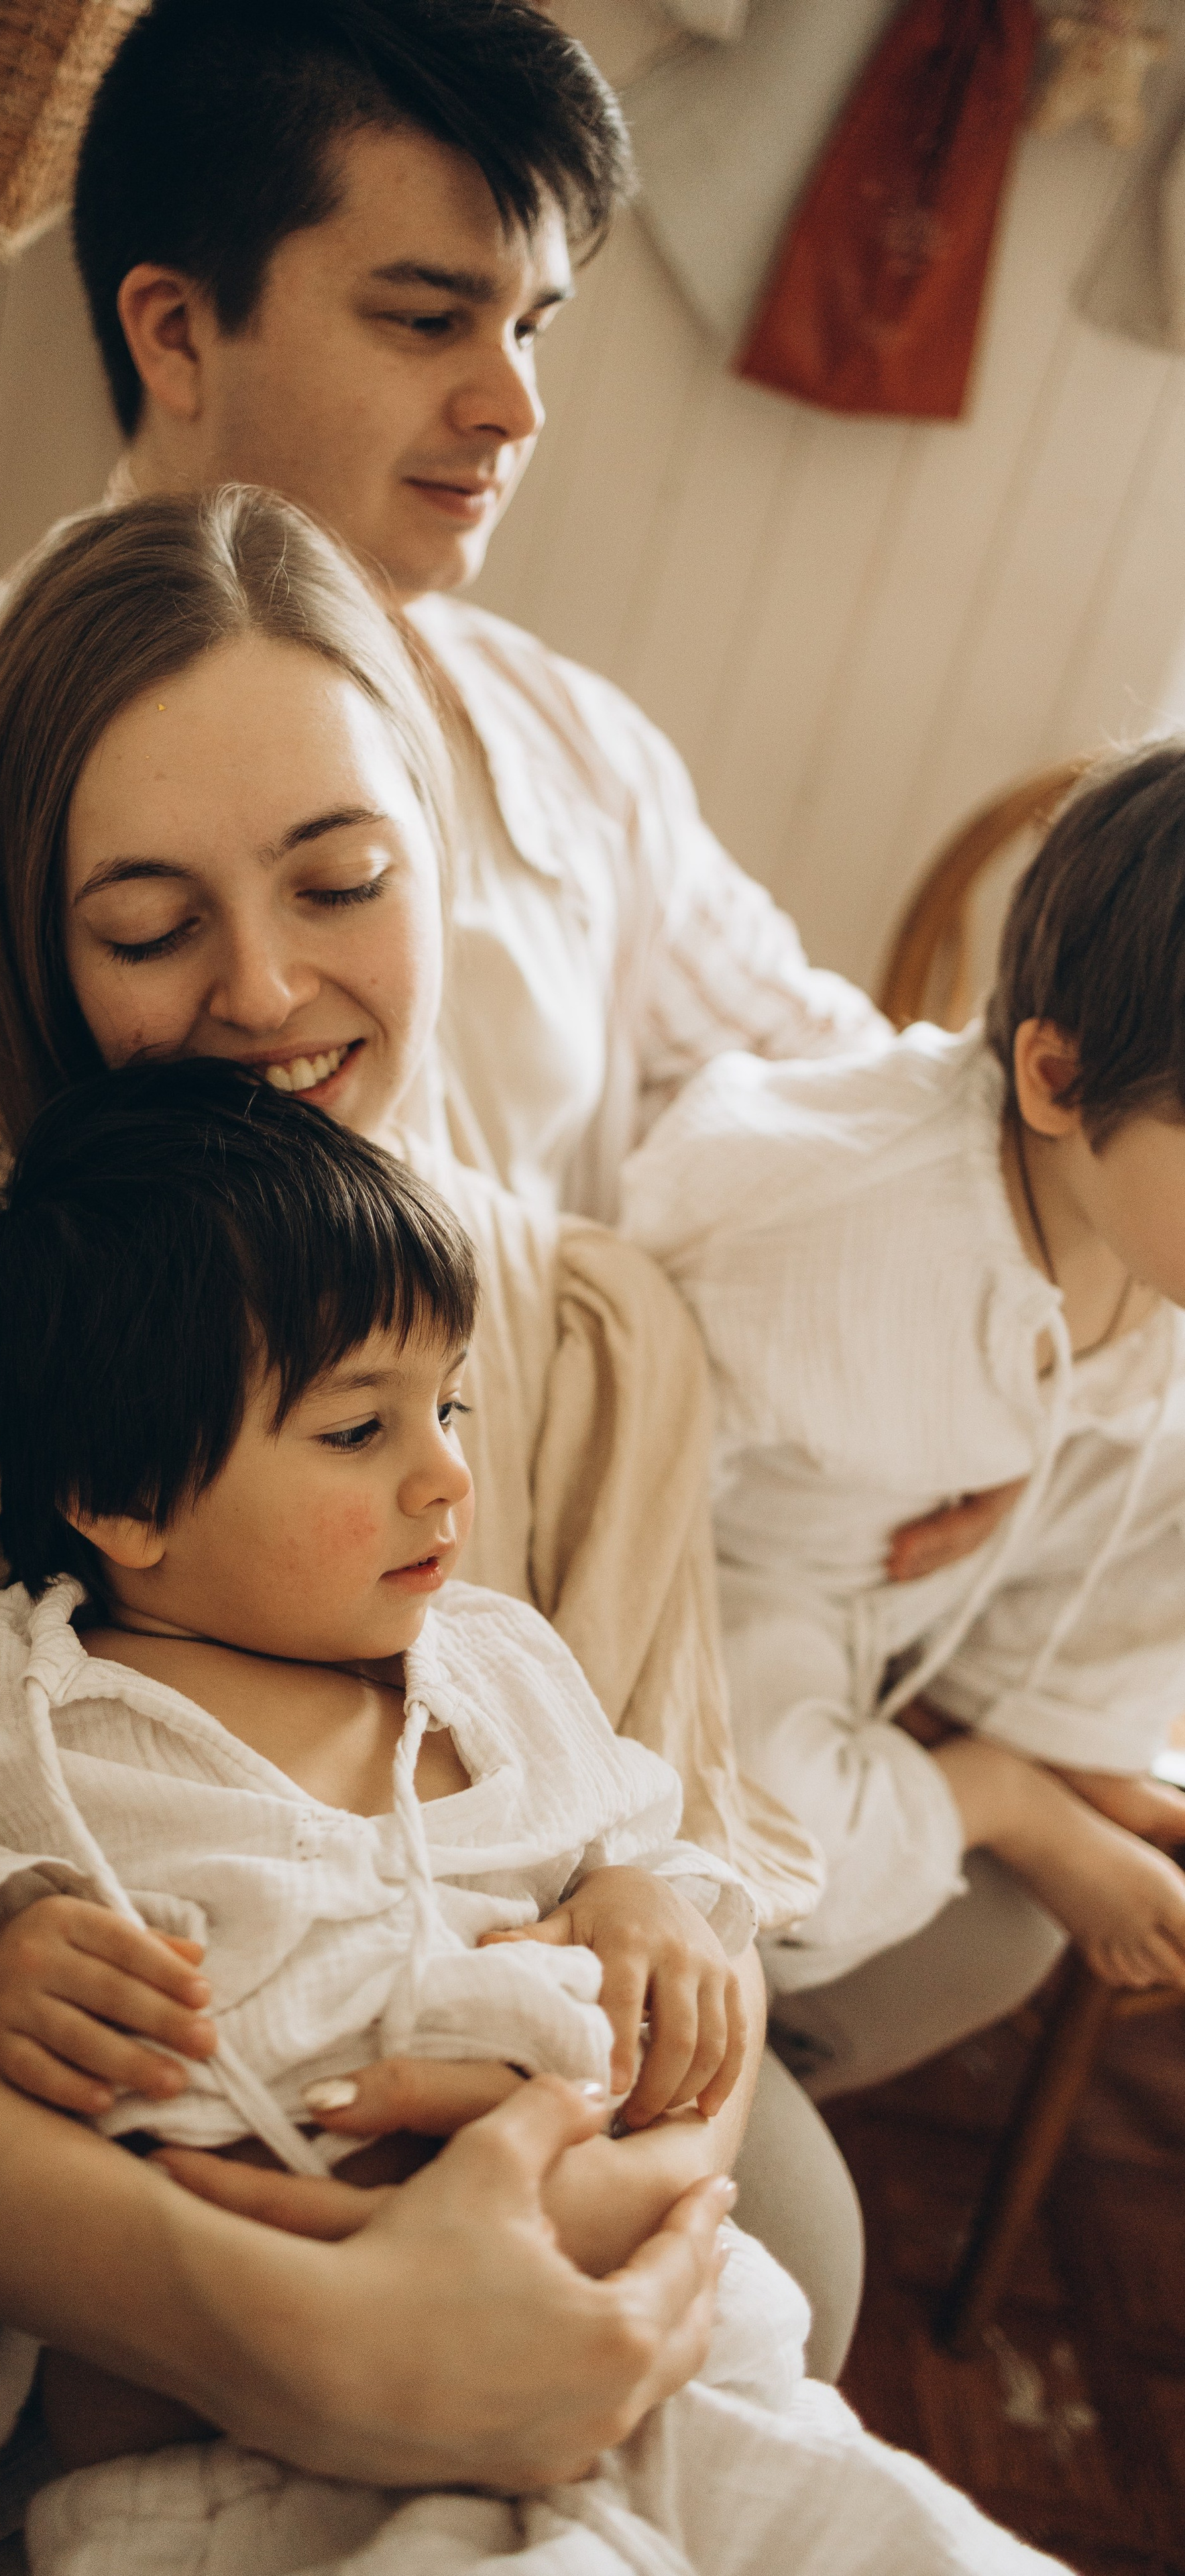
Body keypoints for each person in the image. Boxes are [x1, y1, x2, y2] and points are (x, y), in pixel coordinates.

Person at [0, 0, 1038, 2157]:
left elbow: (866, 1108)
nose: (509, 403)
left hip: (516, 1715)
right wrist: (85, 1735)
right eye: (428, 317)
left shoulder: (571, 747)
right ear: (175, 323)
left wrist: (1002, 1373)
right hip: (102, 1799)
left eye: (536, 326)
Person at [0, 489, 833, 2575]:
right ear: (37, 943)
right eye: (146, 925)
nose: (264, 991)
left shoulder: (582, 1337)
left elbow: (688, 1904)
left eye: (341, 881)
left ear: (432, 873)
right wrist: (290, 2326)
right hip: (51, 2364)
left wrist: (606, 2258)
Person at [0, 1061, 1058, 2576]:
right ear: (121, 1497)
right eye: (359, 1431)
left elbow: (656, 1856)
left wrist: (638, 1903)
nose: (447, 1475)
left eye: (450, 1405)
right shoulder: (15, 1700)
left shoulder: (495, 1666)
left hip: (645, 2367)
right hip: (240, 2458)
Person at [622, 745, 1185, 2025]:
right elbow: (648, 1303)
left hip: (974, 1543)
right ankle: (1000, 1788)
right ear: (1055, 1079)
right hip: (750, 1572)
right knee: (754, 1849)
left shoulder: (1144, 1236)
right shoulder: (840, 1218)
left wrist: (1019, 1450)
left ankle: (1043, 1724)